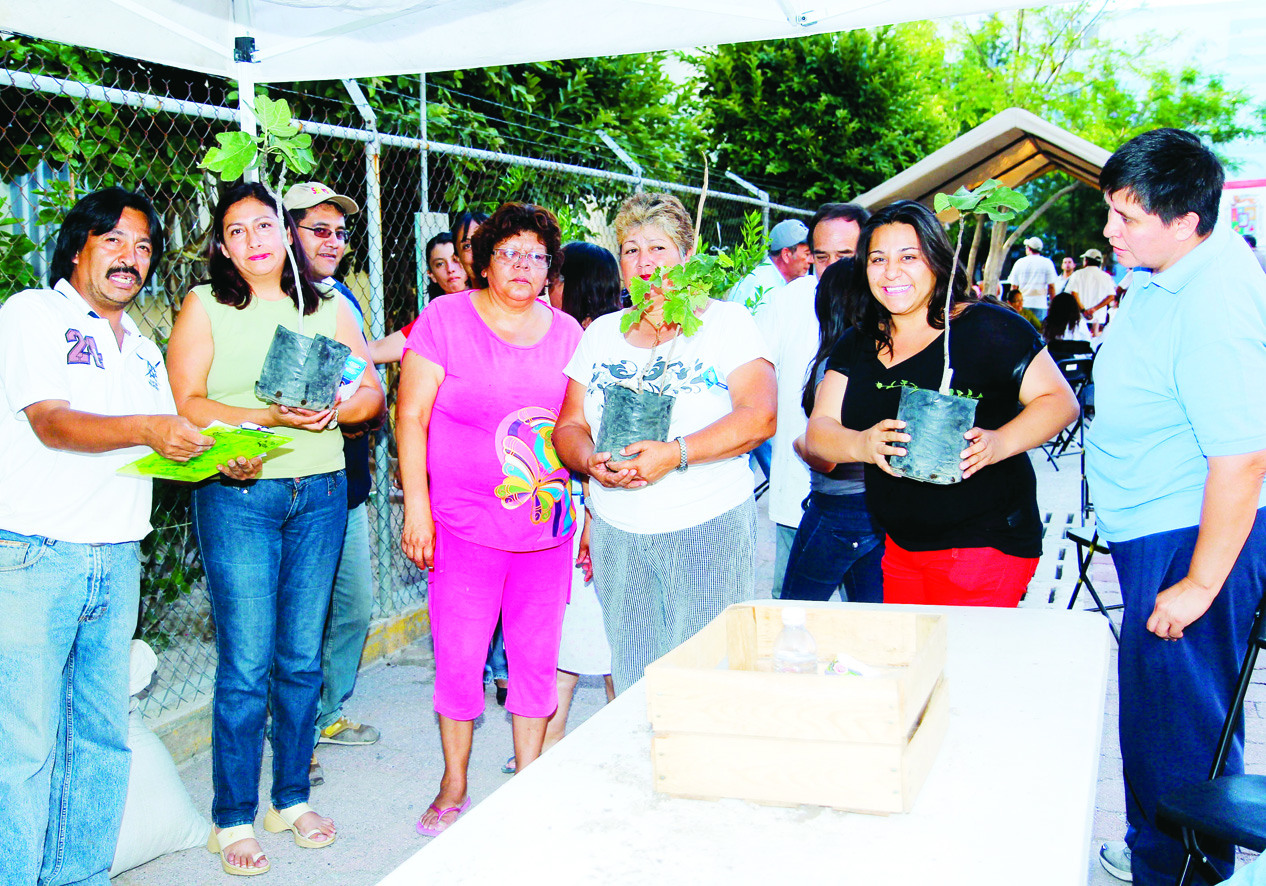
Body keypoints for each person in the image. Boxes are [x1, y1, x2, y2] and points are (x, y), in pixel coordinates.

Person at [0, 187, 260, 885]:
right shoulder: (33, 315)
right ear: (78, 245)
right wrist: (153, 427)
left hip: (118, 559)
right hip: (33, 556)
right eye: (114, 240)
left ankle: (78, 876)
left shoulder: (142, 345)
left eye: (143, 246)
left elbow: (157, 448)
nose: (131, 258)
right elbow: (53, 423)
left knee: (100, 740)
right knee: (22, 746)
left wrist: (220, 459)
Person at [167, 181, 385, 875]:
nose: (256, 240)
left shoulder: (326, 306)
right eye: (239, 231)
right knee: (247, 663)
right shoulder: (204, 306)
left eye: (265, 225)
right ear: (223, 246)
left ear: (285, 233)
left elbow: (371, 393)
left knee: (299, 658)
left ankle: (288, 799)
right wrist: (269, 419)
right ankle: (231, 817)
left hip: (320, 492)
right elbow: (187, 403)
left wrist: (335, 413)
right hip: (239, 494)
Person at [1086, 129, 1266, 886]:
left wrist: (1197, 585)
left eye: (1126, 216)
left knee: (1175, 730)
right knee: (1166, 720)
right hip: (1163, 528)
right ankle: (1162, 849)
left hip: (1190, 536)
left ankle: (1180, 871)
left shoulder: (1217, 298)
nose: (1108, 230)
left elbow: (1243, 455)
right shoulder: (1179, 270)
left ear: (1187, 218)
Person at [397, 202, 582, 836]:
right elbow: (411, 418)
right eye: (510, 253)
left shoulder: (568, 334)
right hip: (463, 526)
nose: (524, 265)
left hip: (547, 529)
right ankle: (454, 785)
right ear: (484, 261)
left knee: (535, 658)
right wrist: (416, 508)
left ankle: (528, 782)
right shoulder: (445, 319)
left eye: (537, 255)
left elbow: (578, 429)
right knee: (459, 658)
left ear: (550, 266)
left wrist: (585, 518)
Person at [554, 192, 777, 693]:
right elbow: (567, 426)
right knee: (635, 669)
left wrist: (674, 455)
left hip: (707, 526)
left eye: (658, 247)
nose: (644, 262)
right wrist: (589, 462)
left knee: (707, 672)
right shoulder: (602, 334)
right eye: (631, 250)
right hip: (619, 531)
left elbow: (760, 416)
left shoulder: (725, 323)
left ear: (686, 255)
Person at [805, 200, 1078, 607]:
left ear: (936, 260)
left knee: (964, 664)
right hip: (900, 546)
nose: (891, 271)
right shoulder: (857, 341)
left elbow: (1059, 401)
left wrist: (999, 442)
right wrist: (861, 443)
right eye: (878, 258)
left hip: (983, 543)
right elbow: (819, 431)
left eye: (909, 257)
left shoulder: (987, 328)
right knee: (916, 662)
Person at [282, 182, 382, 789]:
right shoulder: (274, 299)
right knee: (295, 620)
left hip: (346, 479)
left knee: (353, 606)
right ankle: (291, 734)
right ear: (285, 231)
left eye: (340, 232)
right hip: (295, 481)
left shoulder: (340, 296)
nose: (333, 242)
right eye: (318, 230)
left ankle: (323, 713)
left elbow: (360, 376)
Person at [754, 201, 872, 599]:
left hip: (874, 510)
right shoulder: (790, 300)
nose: (832, 266)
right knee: (791, 624)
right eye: (822, 256)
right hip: (797, 501)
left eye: (845, 255)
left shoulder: (889, 306)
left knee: (874, 625)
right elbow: (754, 375)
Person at [782, 258, 888, 605]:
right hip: (874, 508)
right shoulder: (883, 357)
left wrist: (801, 444)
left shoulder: (837, 364)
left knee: (793, 616)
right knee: (871, 620)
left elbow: (826, 457)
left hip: (838, 507)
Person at [370, 231, 472, 365]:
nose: (450, 269)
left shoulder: (491, 299)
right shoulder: (434, 316)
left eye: (455, 260)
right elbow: (378, 351)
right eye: (440, 264)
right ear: (432, 275)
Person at [728, 218, 812, 307]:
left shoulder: (786, 282)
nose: (812, 260)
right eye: (807, 254)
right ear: (786, 255)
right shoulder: (759, 286)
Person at [1008, 235, 1058, 322]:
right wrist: (1053, 306)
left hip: (1022, 305)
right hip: (1040, 304)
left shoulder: (1019, 263)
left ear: (1028, 248)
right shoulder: (1047, 263)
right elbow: (1052, 287)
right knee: (1038, 332)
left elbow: (1014, 287)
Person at [1068, 248, 1117, 336]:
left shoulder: (1077, 274)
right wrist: (1094, 309)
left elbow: (1073, 294)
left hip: (1080, 319)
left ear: (1086, 260)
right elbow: (1111, 296)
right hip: (1099, 319)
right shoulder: (1106, 277)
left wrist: (1083, 311)